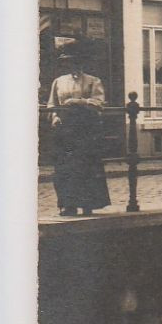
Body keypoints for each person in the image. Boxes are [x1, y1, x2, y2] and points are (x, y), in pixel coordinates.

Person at [46, 53, 110, 216]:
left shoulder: (93, 81)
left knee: (85, 166)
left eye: (77, 62)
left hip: (85, 129)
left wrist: (79, 101)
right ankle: (68, 204)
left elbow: (99, 103)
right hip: (65, 130)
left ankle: (87, 204)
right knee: (65, 167)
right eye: (70, 63)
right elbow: (52, 104)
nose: (74, 66)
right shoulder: (59, 82)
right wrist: (55, 117)